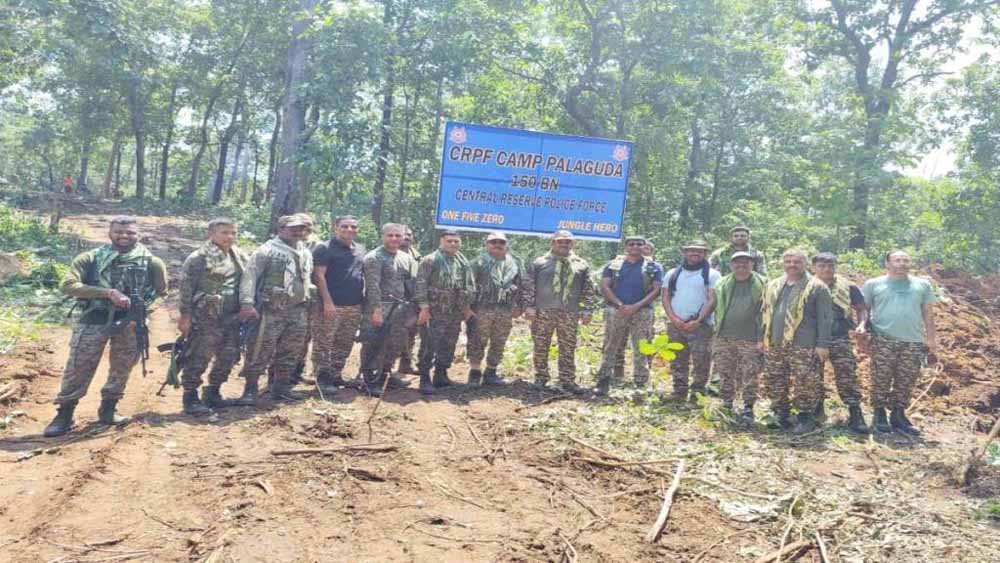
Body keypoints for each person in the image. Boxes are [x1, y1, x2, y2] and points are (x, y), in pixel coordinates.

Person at [43, 216, 168, 437]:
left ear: (138, 235)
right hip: (95, 317)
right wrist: (107, 293)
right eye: (119, 231)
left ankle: (109, 408)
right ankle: (64, 413)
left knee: (122, 366)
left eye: (130, 232)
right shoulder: (90, 258)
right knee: (79, 365)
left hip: (130, 322)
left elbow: (161, 293)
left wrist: (144, 312)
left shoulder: (152, 262)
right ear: (110, 233)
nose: (124, 236)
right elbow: (68, 285)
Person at [858, 250, 938, 436]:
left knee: (906, 380)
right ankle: (879, 415)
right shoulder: (873, 284)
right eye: (897, 260)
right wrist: (862, 333)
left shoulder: (922, 285)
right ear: (887, 264)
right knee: (880, 377)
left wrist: (931, 339)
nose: (902, 263)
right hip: (883, 338)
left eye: (905, 260)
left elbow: (928, 313)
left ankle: (898, 415)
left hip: (913, 341)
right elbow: (864, 310)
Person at [236, 215, 314, 404]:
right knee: (260, 349)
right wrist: (247, 303)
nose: (297, 232)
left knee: (291, 350)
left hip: (298, 310)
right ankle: (250, 389)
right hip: (271, 310)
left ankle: (280, 387)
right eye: (293, 228)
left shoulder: (305, 251)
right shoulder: (267, 251)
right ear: (281, 229)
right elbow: (250, 276)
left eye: (301, 228)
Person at [176, 218, 247, 416]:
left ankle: (213, 392)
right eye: (224, 232)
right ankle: (190, 397)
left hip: (232, 316)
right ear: (211, 234)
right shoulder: (199, 258)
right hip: (205, 317)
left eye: (233, 233)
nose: (229, 237)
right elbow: (186, 289)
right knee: (199, 356)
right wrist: (185, 316)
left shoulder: (238, 256)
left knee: (229, 355)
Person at [761, 249, 832, 433]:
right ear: (783, 264)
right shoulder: (774, 285)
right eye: (788, 261)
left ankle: (805, 416)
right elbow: (765, 313)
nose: (792, 265)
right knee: (775, 378)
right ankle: (780, 413)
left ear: (805, 264)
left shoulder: (817, 287)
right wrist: (762, 338)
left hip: (804, 344)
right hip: (776, 341)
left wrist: (823, 344)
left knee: (806, 382)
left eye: (797, 262)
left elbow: (825, 319)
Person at [523, 230, 596, 394]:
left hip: (569, 312)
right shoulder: (540, 262)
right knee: (541, 345)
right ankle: (541, 378)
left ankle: (567, 380)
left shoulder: (581, 264)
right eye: (560, 241)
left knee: (568, 347)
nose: (564, 244)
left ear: (573, 244)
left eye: (568, 241)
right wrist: (529, 306)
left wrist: (587, 309)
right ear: (553, 243)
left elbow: (588, 289)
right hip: (543, 311)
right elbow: (529, 286)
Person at [595, 235, 663, 396]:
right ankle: (603, 380)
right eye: (631, 244)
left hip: (643, 311)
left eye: (639, 244)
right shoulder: (613, 265)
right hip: (616, 310)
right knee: (610, 345)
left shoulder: (653, 267)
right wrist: (619, 305)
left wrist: (636, 306)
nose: (635, 247)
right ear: (626, 247)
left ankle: (640, 382)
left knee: (642, 346)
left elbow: (657, 289)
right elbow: (605, 286)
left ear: (644, 246)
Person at [812, 252, 868, 433]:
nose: (826, 269)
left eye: (830, 266)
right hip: (813, 339)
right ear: (814, 268)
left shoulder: (848, 287)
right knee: (812, 376)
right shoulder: (807, 286)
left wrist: (861, 324)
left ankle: (855, 414)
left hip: (840, 337)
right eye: (821, 266)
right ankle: (816, 412)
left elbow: (861, 309)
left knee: (847, 375)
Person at [358, 223, 418, 396]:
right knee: (373, 344)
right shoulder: (374, 258)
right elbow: (372, 286)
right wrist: (376, 310)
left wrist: (412, 310)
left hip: (400, 308)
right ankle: (369, 380)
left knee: (394, 344)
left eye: (398, 236)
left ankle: (385, 375)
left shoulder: (405, 258)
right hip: (380, 306)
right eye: (390, 235)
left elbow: (410, 284)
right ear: (383, 236)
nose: (394, 239)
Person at [310, 215, 365, 397]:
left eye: (353, 226)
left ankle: (335, 375)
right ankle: (322, 380)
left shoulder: (360, 249)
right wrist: (327, 302)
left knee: (344, 343)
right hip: (330, 306)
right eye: (345, 226)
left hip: (353, 305)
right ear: (336, 227)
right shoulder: (324, 249)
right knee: (323, 343)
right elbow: (319, 276)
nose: (349, 229)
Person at [415, 230, 475, 394]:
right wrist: (424, 308)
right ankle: (424, 378)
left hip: (454, 311)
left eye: (456, 241)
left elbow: (466, 286)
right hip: (435, 311)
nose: (453, 244)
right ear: (441, 242)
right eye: (449, 241)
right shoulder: (430, 260)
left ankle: (440, 375)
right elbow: (420, 285)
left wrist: (466, 307)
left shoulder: (462, 261)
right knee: (429, 344)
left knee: (449, 344)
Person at [662, 240, 721, 403]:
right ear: (684, 252)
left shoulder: (713, 275)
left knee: (701, 361)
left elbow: (712, 299)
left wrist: (699, 320)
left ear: (706, 254)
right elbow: (665, 297)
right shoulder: (672, 273)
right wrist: (674, 319)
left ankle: (697, 394)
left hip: (701, 326)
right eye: (691, 250)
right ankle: (679, 391)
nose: (695, 253)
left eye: (700, 251)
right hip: (675, 325)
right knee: (677, 359)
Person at [712, 252, 766, 424]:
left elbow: (768, 312)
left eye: (746, 262)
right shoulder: (722, 283)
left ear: (752, 264)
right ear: (731, 265)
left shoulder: (764, 284)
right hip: (724, 337)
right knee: (725, 372)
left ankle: (748, 408)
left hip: (751, 338)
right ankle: (727, 404)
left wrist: (763, 338)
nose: (741, 265)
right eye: (737, 262)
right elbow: (714, 305)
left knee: (750, 374)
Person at [467, 232, 522, 386]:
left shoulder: (514, 264)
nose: (498, 245)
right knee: (477, 340)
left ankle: (491, 372)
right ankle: (475, 372)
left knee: (499, 341)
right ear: (486, 245)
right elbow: (468, 286)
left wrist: (519, 306)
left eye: (501, 242)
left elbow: (521, 286)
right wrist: (466, 308)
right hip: (482, 308)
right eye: (493, 242)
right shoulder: (478, 263)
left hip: (505, 309)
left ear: (506, 245)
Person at [398, 227, 422, 375]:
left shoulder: (417, 256)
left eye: (409, 234)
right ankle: (380, 370)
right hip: (394, 302)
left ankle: (405, 365)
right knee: (390, 335)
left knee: (411, 334)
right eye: (403, 234)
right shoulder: (390, 253)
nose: (406, 237)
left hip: (412, 301)